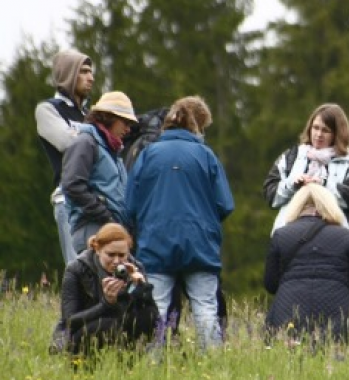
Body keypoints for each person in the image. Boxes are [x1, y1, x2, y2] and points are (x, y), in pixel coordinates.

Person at [125, 96, 234, 350]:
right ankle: (214, 369)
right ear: (198, 126)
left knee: (158, 309)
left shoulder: (147, 154)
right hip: (200, 245)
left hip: (155, 244)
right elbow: (225, 204)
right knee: (206, 308)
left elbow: (130, 204)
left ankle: (153, 368)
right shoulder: (206, 155)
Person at [264, 184, 349, 342]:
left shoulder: (280, 235)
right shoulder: (346, 236)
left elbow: (270, 284)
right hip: (338, 312)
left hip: (288, 309)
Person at [60, 223, 159, 356]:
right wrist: (106, 304)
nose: (116, 261)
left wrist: (142, 289)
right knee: (107, 325)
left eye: (122, 255)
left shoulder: (135, 268)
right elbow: (69, 321)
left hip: (124, 332)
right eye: (111, 255)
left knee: (147, 316)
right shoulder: (76, 269)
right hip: (85, 335)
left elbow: (152, 317)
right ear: (98, 249)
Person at [262, 103, 349, 235]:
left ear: (337, 134)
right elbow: (271, 196)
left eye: (325, 130)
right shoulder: (291, 157)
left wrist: (322, 185)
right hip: (290, 236)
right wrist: (293, 185)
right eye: (315, 128)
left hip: (333, 238)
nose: (318, 134)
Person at [35, 49, 94, 265]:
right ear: (68, 74)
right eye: (84, 71)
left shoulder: (90, 114)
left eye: (91, 72)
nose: (91, 77)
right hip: (69, 199)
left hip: (96, 198)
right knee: (79, 271)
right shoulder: (48, 110)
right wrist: (97, 135)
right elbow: (68, 143)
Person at [61, 91, 138, 253]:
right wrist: (106, 215)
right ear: (108, 117)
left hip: (106, 230)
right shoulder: (86, 142)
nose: (128, 129)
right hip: (92, 228)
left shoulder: (112, 151)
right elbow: (72, 185)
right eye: (125, 122)